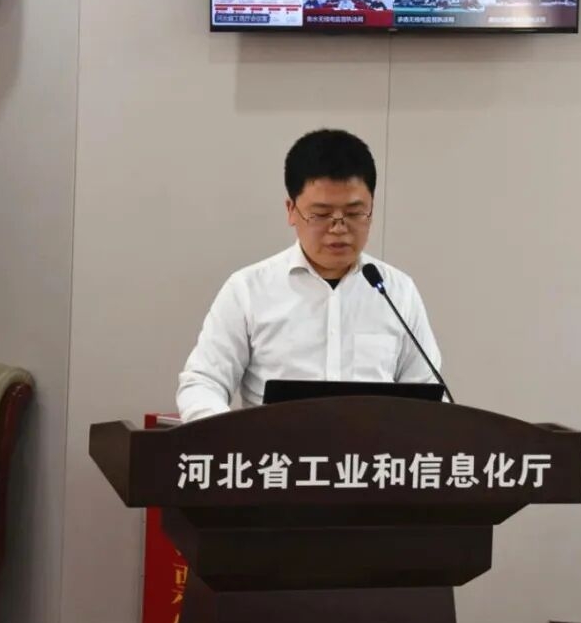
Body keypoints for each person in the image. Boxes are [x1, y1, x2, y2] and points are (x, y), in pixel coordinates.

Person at [176, 129, 443, 422]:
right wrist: (229, 437)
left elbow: (428, 393)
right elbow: (202, 383)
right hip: (273, 450)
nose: (338, 228)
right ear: (291, 210)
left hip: (373, 451)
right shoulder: (248, 290)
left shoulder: (397, 291)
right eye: (321, 214)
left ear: (372, 209)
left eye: (354, 213)